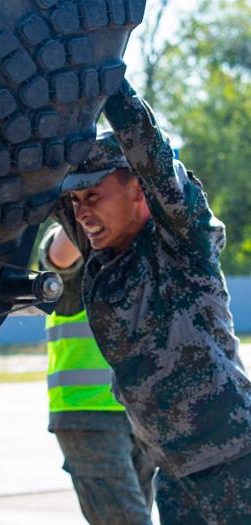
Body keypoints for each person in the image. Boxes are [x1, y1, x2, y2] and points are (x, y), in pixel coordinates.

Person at [43, 79, 251, 523]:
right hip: (174, 475)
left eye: (93, 195)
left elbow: (152, 154)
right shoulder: (101, 254)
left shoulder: (181, 243)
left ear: (138, 189)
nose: (81, 212)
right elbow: (46, 169)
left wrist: (104, 78)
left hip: (234, 462)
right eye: (76, 200)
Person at [40, 225, 156, 525]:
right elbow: (57, 258)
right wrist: (90, 198)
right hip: (88, 414)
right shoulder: (77, 249)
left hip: (141, 415)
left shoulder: (139, 259)